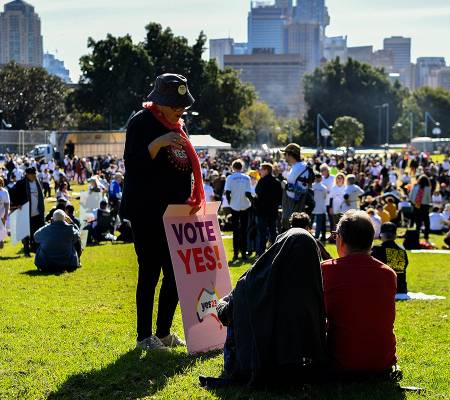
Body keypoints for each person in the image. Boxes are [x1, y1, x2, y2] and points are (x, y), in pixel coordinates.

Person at [121, 73, 204, 351]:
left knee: (176, 274)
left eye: (183, 104)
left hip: (176, 213)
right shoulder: (141, 123)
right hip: (147, 212)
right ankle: (144, 336)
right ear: (160, 101)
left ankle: (164, 332)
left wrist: (192, 198)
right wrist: (159, 143)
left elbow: (183, 167)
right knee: (150, 272)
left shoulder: (180, 126)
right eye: (175, 104)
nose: (181, 109)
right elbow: (133, 166)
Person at [216, 228, 327, 385]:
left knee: (233, 301)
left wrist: (222, 303)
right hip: (300, 371)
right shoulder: (314, 295)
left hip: (255, 367)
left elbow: (225, 314)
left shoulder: (252, 284)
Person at [321, 210, 397, 374]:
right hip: (381, 361)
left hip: (340, 361)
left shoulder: (326, 270)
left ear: (340, 239)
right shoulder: (388, 274)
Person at [9, 167, 45, 256]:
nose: (33, 176)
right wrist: (17, 204)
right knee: (25, 233)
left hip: (37, 212)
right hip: (25, 211)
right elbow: (12, 194)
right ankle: (26, 251)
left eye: (34, 174)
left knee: (37, 232)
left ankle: (36, 250)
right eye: (31, 174)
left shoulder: (37, 183)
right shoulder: (20, 183)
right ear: (27, 174)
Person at [371, 222, 409, 298]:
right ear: (395, 236)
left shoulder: (376, 250)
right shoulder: (401, 250)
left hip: (384, 289)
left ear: (381, 235)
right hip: (401, 289)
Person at [224, 160, 253, 260]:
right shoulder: (247, 177)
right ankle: (243, 253)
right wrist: (253, 204)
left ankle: (236, 253)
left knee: (235, 231)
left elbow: (227, 192)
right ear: (242, 167)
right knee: (244, 230)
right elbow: (248, 194)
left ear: (233, 167)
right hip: (245, 206)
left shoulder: (230, 177)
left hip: (234, 206)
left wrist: (230, 203)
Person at [280, 143, 312, 230]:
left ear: (290, 154)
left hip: (294, 205)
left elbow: (302, 189)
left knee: (292, 230)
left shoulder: (299, 167)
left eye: (285, 154)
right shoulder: (299, 166)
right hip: (293, 204)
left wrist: (286, 185)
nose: (284, 156)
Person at [253, 162, 281, 256]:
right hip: (273, 212)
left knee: (262, 234)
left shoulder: (261, 182)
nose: (259, 171)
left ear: (266, 170)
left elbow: (257, 196)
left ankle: (261, 254)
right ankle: (274, 253)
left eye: (261, 169)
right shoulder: (276, 182)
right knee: (273, 233)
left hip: (262, 212)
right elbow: (279, 197)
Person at [409, 175, 432, 241]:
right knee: (427, 223)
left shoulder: (415, 186)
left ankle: (417, 236)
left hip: (416, 206)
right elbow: (429, 200)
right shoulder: (428, 188)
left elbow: (411, 197)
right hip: (425, 206)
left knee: (418, 223)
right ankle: (426, 237)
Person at [312, 173, 329, 241]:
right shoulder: (323, 187)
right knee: (318, 224)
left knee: (313, 223)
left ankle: (314, 236)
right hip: (319, 207)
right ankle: (316, 236)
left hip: (315, 207)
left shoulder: (312, 186)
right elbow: (325, 197)